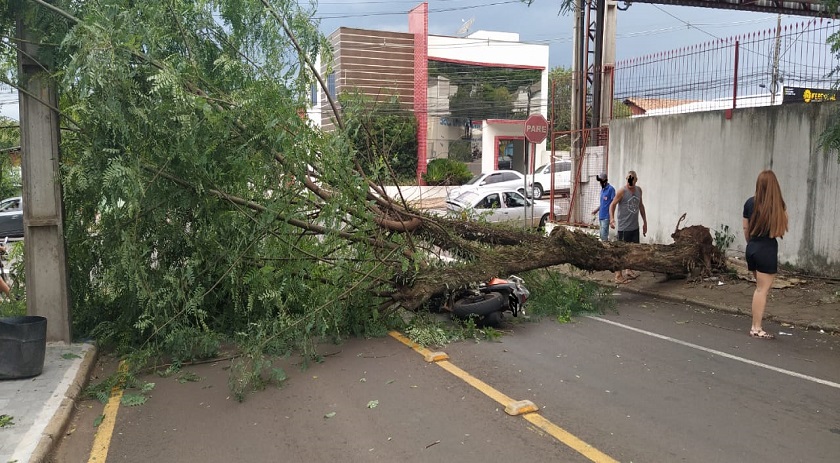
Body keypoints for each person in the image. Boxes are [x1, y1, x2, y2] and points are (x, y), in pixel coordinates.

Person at [742, 170, 788, 340]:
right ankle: (756, 328)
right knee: (762, 290)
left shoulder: (749, 203)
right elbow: (781, 228)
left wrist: (750, 244)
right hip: (767, 248)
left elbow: (746, 228)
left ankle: (756, 325)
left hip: (752, 247)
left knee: (759, 288)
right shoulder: (778, 206)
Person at [609, 170, 647, 284]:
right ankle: (618, 275)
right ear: (626, 179)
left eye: (632, 179)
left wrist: (645, 222)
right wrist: (611, 218)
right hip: (624, 227)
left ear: (636, 180)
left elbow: (641, 206)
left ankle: (628, 269)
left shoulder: (639, 190)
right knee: (621, 251)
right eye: (628, 179)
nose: (630, 181)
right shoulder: (622, 191)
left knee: (633, 250)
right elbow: (612, 204)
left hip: (634, 226)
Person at [591, 172, 616, 242]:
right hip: (601, 215)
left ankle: (605, 248)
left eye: (600, 180)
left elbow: (613, 203)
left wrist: (612, 218)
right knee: (601, 235)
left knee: (604, 235)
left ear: (605, 180)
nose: (600, 183)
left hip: (606, 216)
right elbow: (602, 203)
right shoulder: (602, 190)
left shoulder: (611, 189)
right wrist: (596, 210)